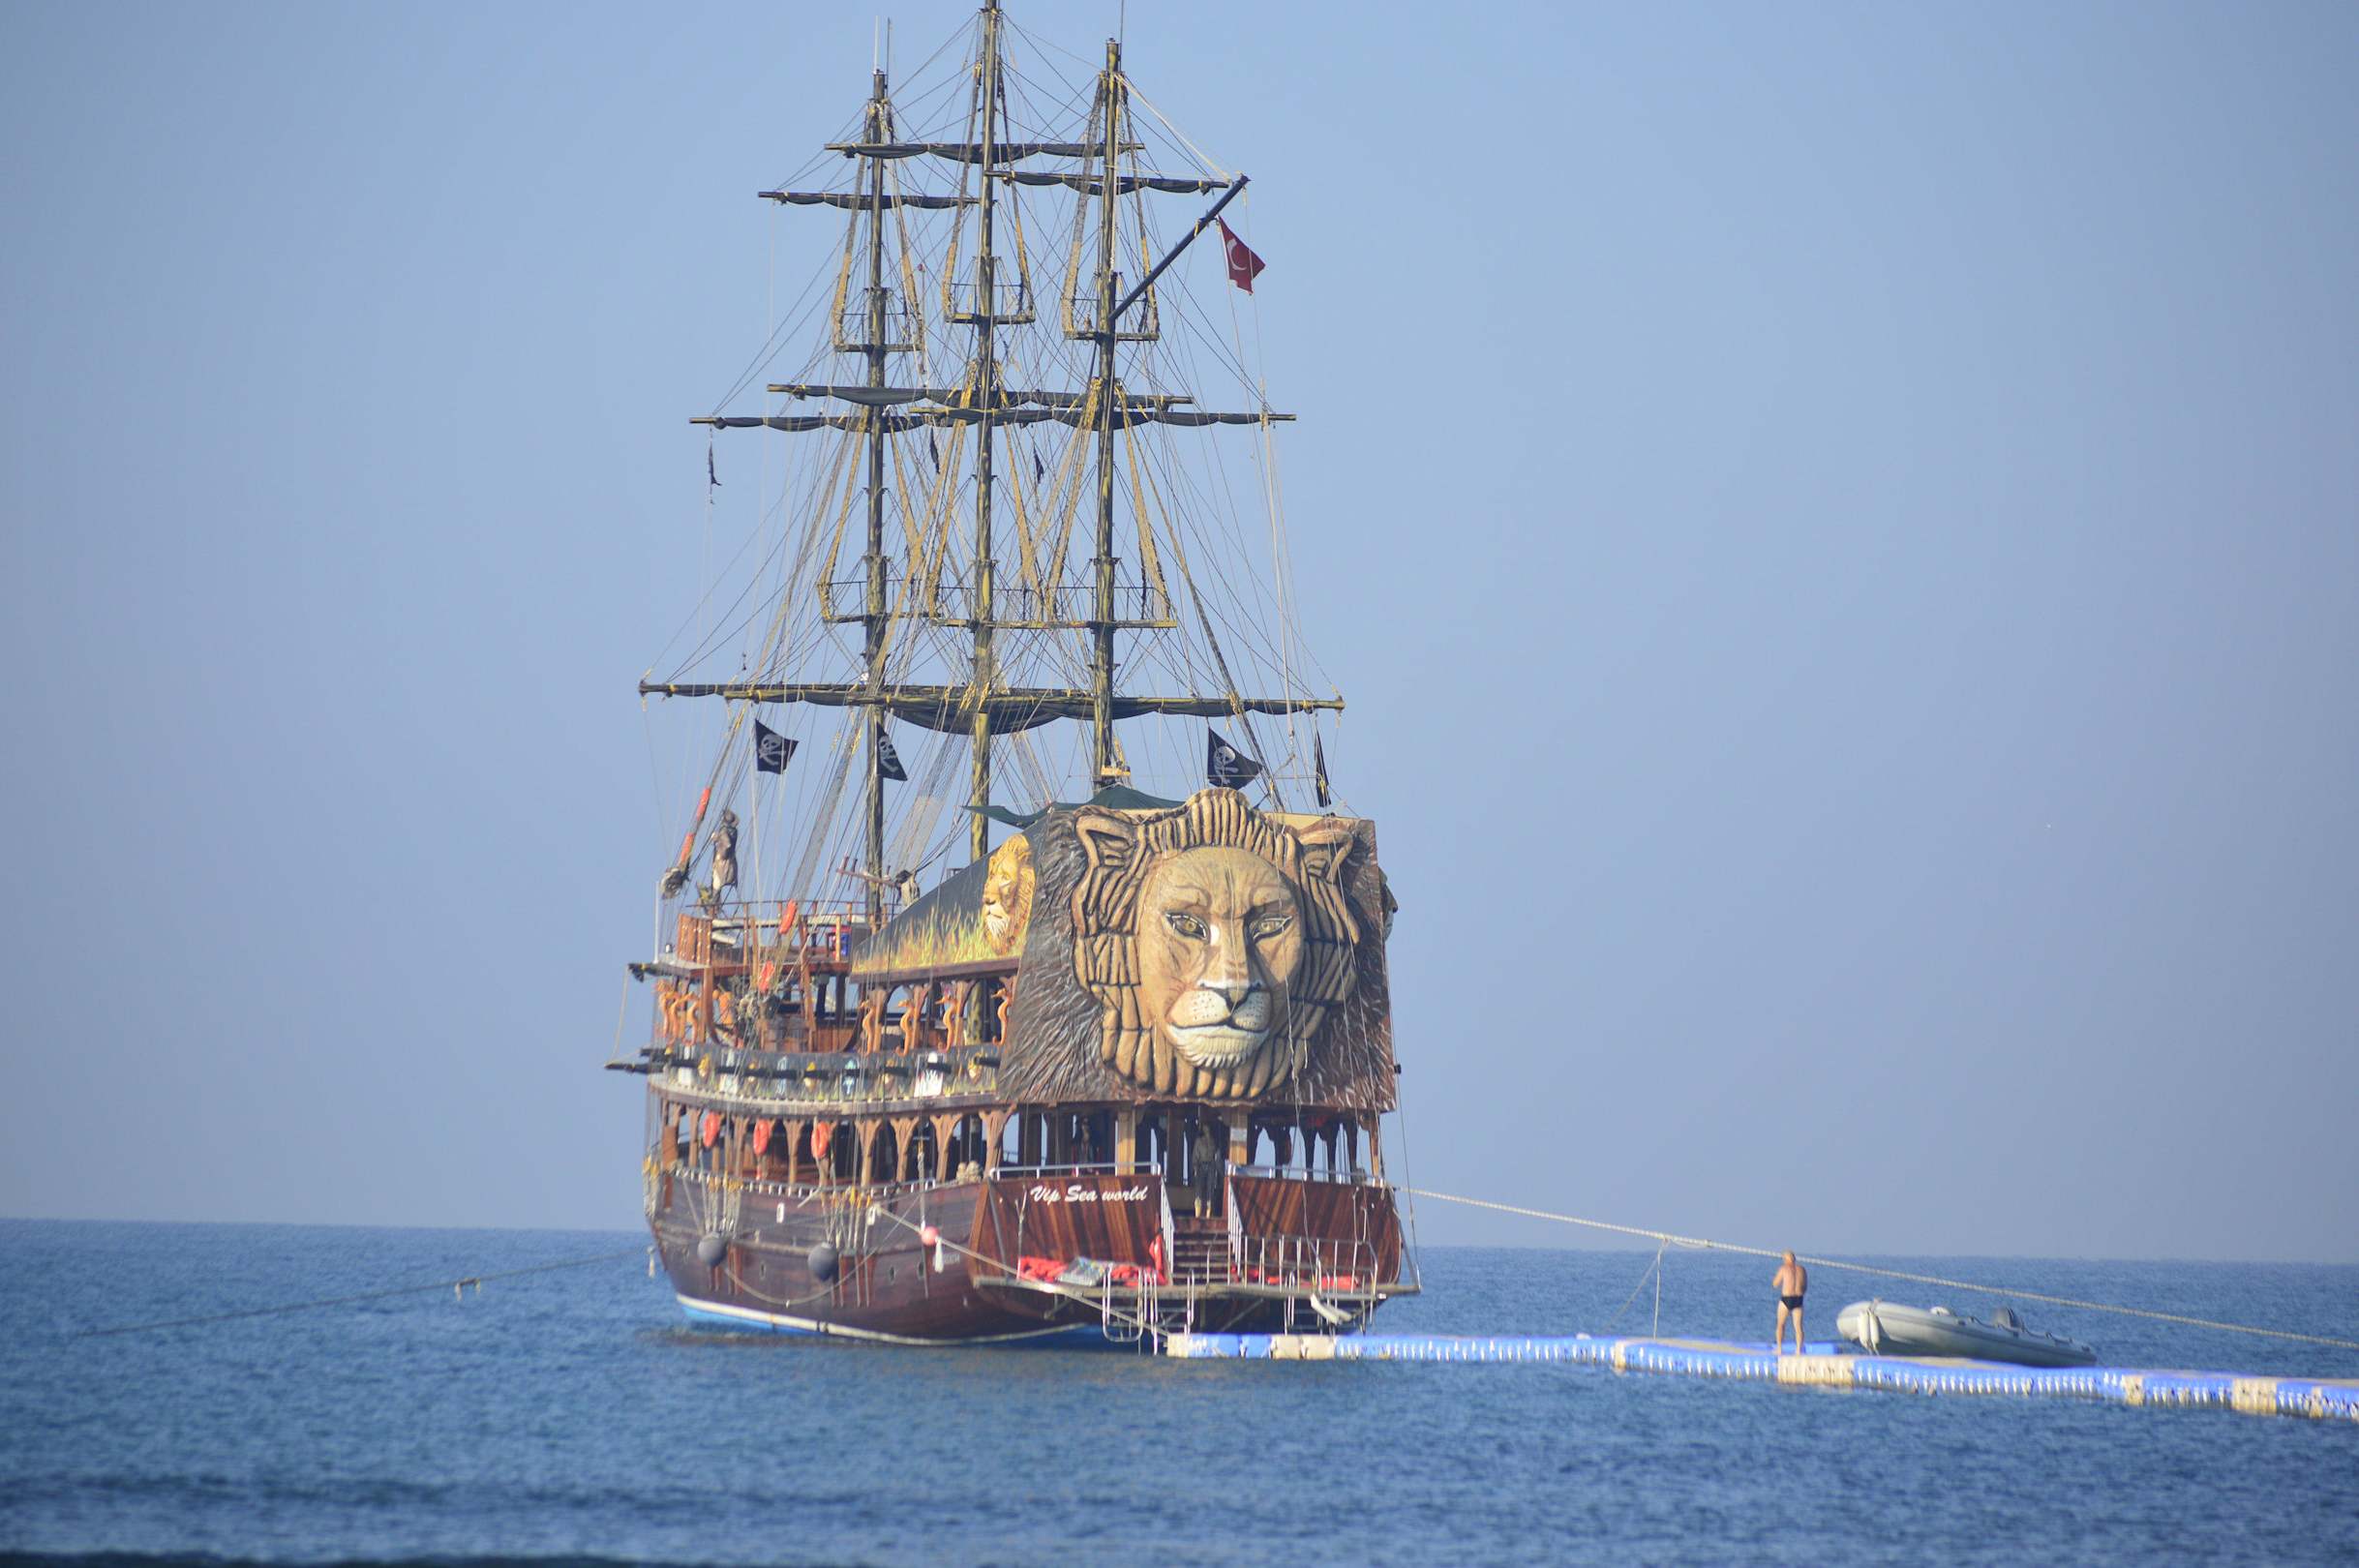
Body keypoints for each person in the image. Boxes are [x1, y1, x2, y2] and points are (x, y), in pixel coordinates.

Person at [1772, 1251, 1808, 1354]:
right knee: (1798, 1327)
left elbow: (1775, 1284)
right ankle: (1798, 1350)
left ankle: (1779, 1348)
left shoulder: (1784, 1269)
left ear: (1785, 1259)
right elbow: (1805, 1286)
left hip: (1786, 1298)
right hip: (1799, 1299)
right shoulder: (1802, 1269)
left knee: (1780, 1324)